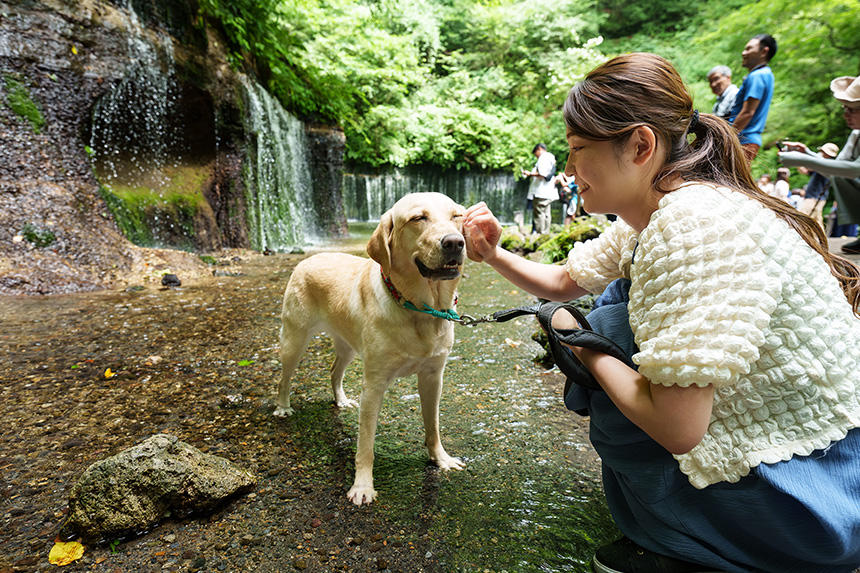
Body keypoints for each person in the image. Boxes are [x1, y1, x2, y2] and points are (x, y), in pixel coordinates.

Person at [464, 52, 860, 573]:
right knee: (611, 309)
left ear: (640, 145)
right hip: (833, 472)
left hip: (810, 502)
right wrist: (493, 253)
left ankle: (692, 542)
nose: (569, 168)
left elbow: (679, 429)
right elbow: (562, 280)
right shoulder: (667, 207)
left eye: (579, 149)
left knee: (607, 324)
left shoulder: (691, 228)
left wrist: (581, 344)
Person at [780, 75, 860, 254]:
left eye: (852, 110)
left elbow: (855, 170)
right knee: (840, 178)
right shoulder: (856, 134)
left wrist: (803, 160)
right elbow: (838, 167)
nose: (845, 114)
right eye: (844, 108)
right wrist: (806, 152)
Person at [728, 34, 777, 162]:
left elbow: (748, 112)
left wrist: (727, 136)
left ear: (764, 51)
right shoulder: (767, 74)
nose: (744, 53)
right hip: (748, 139)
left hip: (744, 139)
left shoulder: (757, 76)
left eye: (749, 49)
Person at [792, 142, 839, 228]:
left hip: (815, 197)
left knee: (803, 217)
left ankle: (817, 239)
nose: (821, 153)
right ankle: (821, 239)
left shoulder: (826, 165)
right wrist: (796, 162)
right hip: (814, 196)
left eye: (823, 151)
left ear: (828, 154)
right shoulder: (822, 164)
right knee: (816, 220)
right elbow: (805, 171)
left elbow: (808, 168)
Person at [522, 143, 557, 233]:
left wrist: (529, 174)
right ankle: (546, 233)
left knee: (539, 213)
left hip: (540, 191)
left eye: (535, 153)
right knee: (546, 213)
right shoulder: (551, 157)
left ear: (539, 149)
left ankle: (540, 234)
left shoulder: (543, 157)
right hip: (548, 191)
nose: (536, 156)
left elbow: (542, 174)